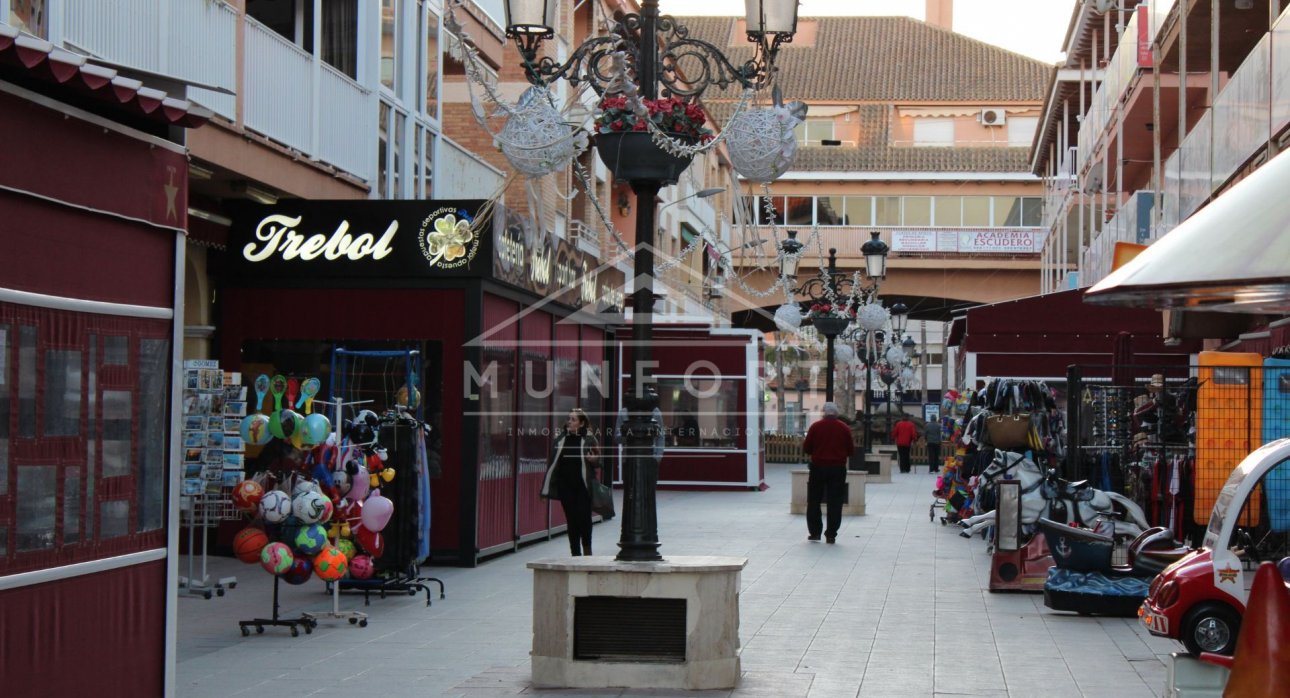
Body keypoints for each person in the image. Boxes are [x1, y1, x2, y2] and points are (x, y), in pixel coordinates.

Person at [541, 408, 600, 556]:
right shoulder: (560, 439)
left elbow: (600, 459)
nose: (569, 422)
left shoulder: (589, 438)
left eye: (573, 419)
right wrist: (545, 489)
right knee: (572, 520)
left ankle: (587, 552)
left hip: (584, 487)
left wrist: (595, 460)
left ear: (581, 423)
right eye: (569, 419)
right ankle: (575, 554)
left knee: (585, 520)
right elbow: (552, 464)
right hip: (565, 487)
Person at [802, 402, 853, 544]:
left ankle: (815, 532)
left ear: (823, 413)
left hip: (818, 467)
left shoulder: (815, 427)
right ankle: (831, 534)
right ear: (836, 413)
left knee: (814, 500)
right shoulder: (844, 428)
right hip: (837, 468)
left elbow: (807, 448)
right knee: (835, 501)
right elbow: (851, 450)